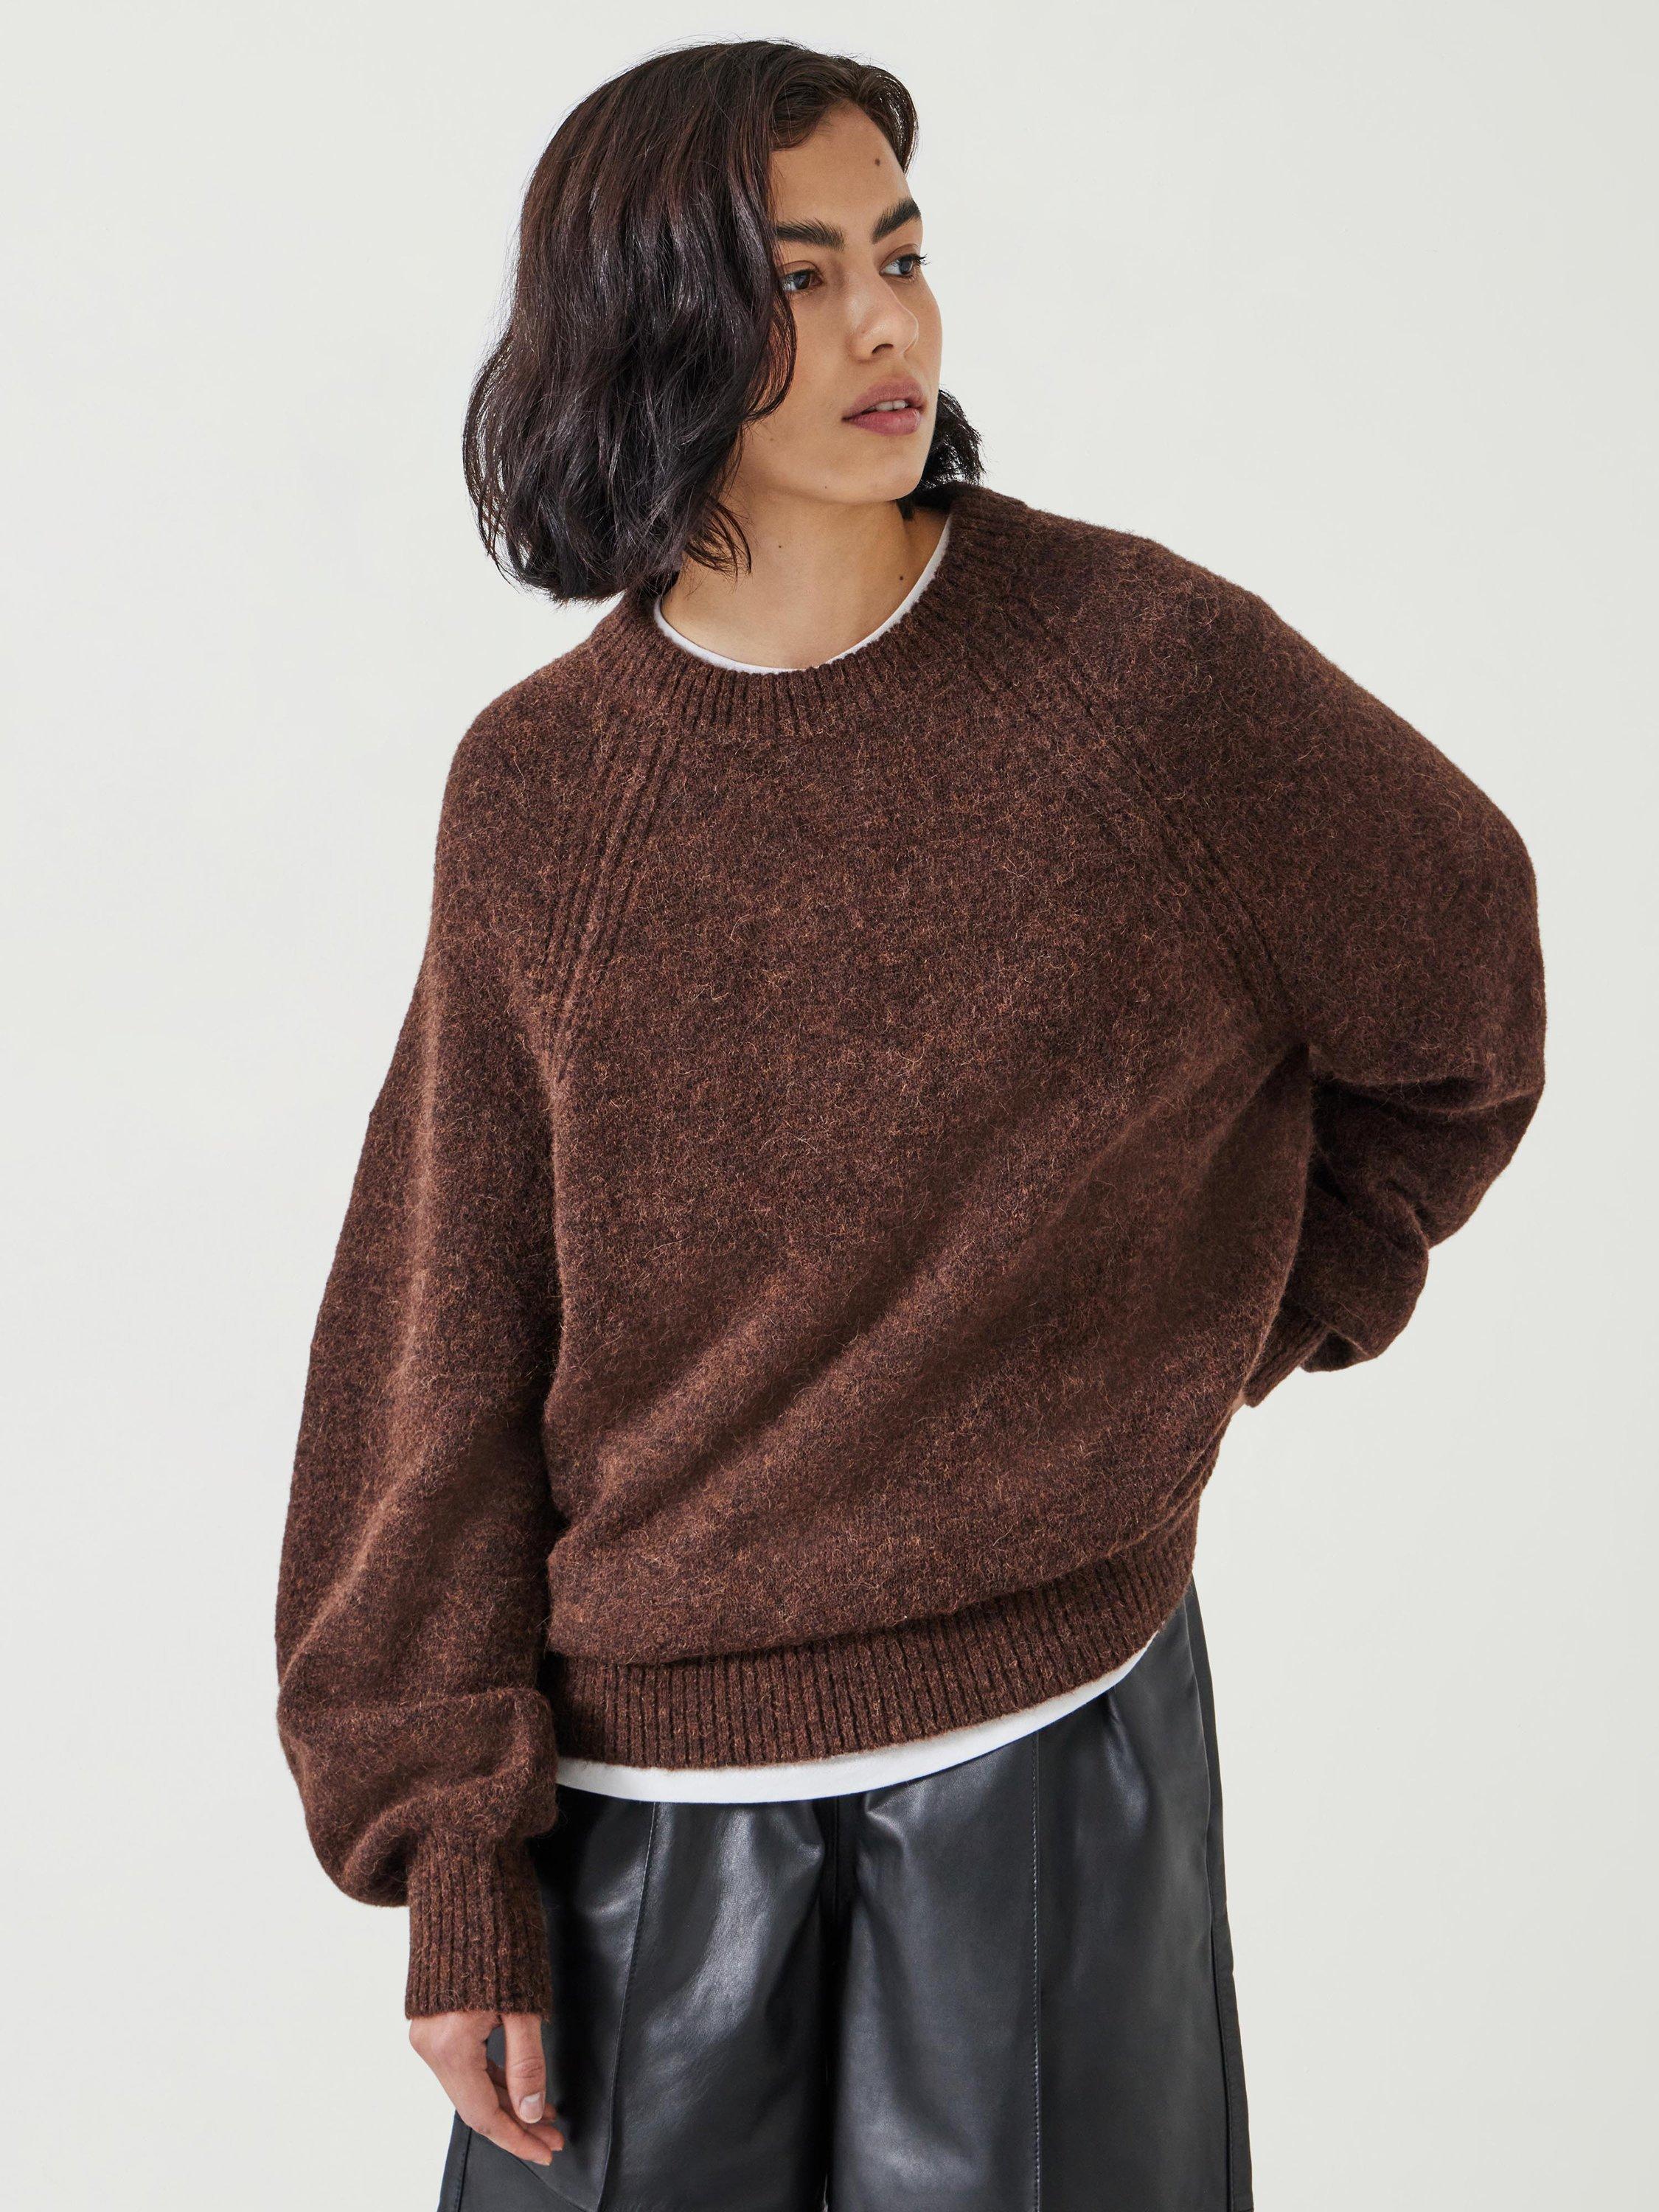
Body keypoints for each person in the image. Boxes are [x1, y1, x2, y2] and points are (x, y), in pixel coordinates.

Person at [274, 40, 1548, 2212]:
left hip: (1052, 1760)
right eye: (801, 277)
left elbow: (1462, 997)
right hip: (640, 1816)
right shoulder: (544, 794)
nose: (886, 324)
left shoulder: (1140, 676)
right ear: (651, 325)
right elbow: (442, 1345)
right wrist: (453, 1864)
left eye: (902, 253)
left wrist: (1219, 1332)